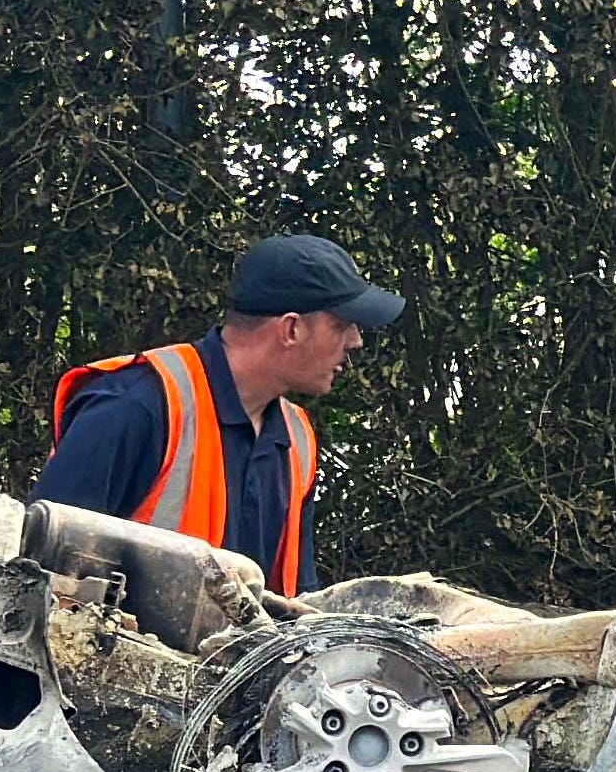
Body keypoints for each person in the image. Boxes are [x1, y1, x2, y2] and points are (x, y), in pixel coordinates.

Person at [35, 234, 403, 594]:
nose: (355, 340)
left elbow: (294, 599)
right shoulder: (138, 405)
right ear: (291, 328)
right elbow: (37, 570)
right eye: (341, 325)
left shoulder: (297, 441)